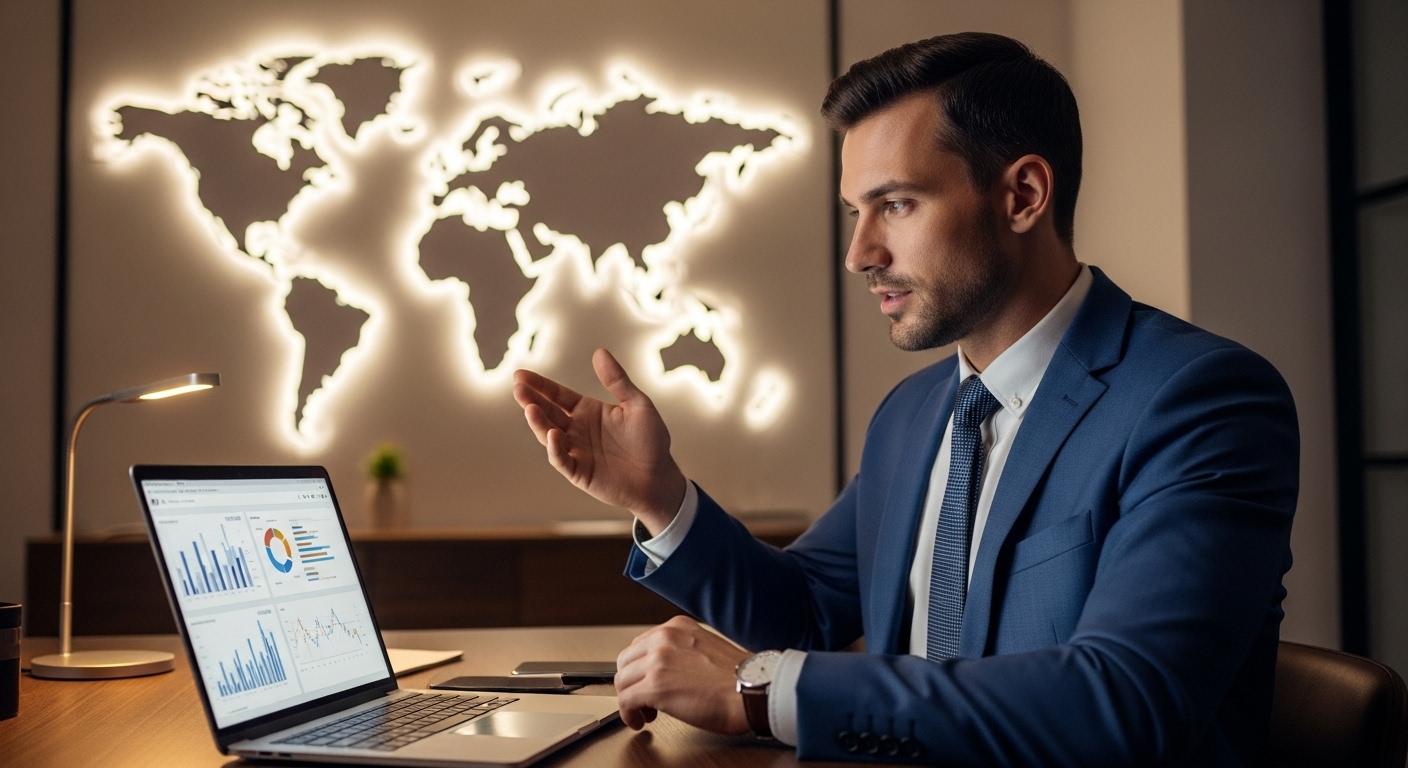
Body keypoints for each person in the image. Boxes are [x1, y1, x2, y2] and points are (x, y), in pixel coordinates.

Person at [512, 32, 1297, 766]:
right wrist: (660, 498)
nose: (860, 254)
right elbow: (811, 611)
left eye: (896, 204)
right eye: (858, 212)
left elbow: (1127, 697)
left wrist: (762, 691)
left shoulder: (1200, 401)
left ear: (1023, 195)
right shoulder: (915, 415)